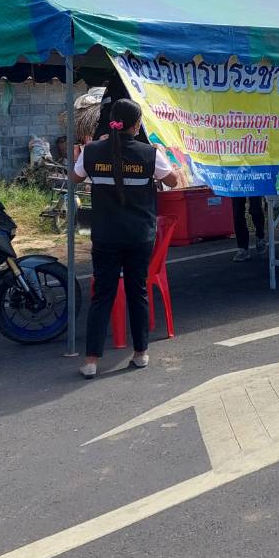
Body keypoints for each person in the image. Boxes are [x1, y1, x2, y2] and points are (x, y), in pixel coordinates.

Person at [74, 98, 179, 378]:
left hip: (105, 235)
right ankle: (141, 353)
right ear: (136, 124)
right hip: (138, 236)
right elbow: (172, 181)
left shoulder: (93, 151)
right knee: (138, 292)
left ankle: (91, 360)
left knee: (102, 296)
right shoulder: (149, 153)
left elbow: (74, 177)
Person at [231, 196, 266, 261]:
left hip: (254, 186)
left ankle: (260, 236)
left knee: (256, 210)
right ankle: (243, 248)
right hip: (237, 187)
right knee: (237, 213)